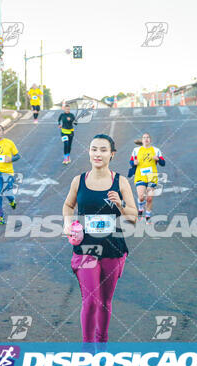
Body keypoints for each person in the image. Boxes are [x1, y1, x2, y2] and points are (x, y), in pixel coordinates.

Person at [63, 134, 137, 348]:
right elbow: (68, 205)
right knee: (91, 301)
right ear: (89, 152)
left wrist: (120, 204)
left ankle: (102, 344)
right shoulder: (79, 180)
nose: (98, 154)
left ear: (112, 154)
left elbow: (132, 216)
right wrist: (68, 223)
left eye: (103, 150)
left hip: (113, 248)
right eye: (94, 149)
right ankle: (87, 349)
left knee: (104, 302)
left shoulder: (120, 181)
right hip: (85, 248)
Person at [129, 133, 165, 222]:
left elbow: (163, 163)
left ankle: (148, 216)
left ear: (150, 140)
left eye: (148, 137)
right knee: (141, 197)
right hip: (140, 176)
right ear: (142, 140)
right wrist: (134, 163)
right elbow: (131, 162)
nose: (146, 139)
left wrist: (158, 159)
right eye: (144, 138)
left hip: (152, 176)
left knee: (149, 198)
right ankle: (140, 209)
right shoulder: (136, 150)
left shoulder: (156, 150)